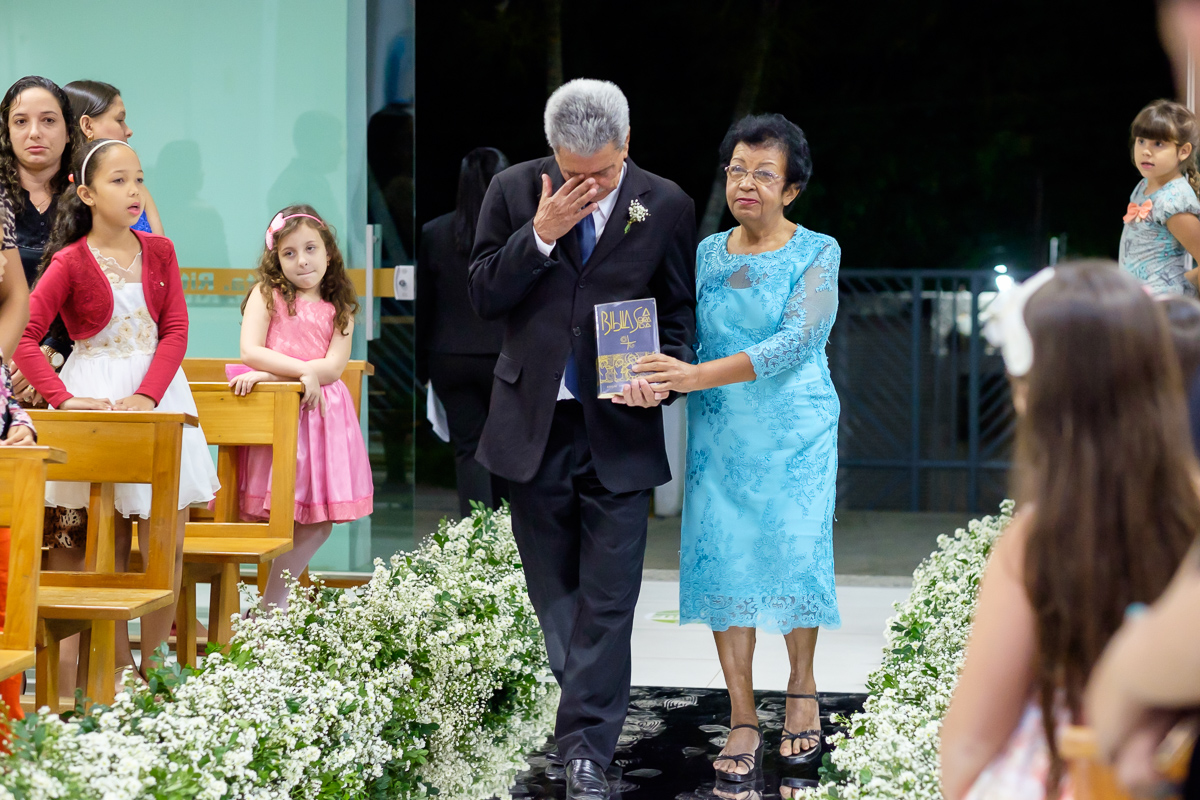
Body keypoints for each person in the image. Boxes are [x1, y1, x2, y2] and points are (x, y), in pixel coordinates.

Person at [468, 78, 696, 800]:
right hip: (534, 421)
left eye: (599, 175)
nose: (585, 186)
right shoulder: (512, 189)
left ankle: (587, 752)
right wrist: (540, 234)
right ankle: (585, 709)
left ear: (626, 149)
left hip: (620, 425)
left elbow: (679, 310)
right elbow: (480, 294)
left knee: (611, 594)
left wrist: (664, 377)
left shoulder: (666, 203)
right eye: (572, 173)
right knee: (554, 593)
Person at [939, 262, 1200, 800]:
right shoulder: (1191, 506)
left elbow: (970, 739)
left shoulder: (1041, 537)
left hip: (1072, 773)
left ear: (1034, 394)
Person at [633, 114, 841, 783]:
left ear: (792, 190)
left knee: (793, 557)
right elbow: (682, 327)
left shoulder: (818, 251)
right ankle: (744, 713)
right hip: (721, 435)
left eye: (763, 174)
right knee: (725, 568)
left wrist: (693, 378)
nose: (745, 185)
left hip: (796, 433)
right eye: (736, 170)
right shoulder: (708, 253)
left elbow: (793, 344)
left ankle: (802, 688)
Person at [12, 138, 219, 687]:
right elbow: (24, 338)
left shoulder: (161, 252)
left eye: (139, 179)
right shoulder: (69, 261)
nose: (134, 191)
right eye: (118, 180)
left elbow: (175, 329)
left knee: (161, 539)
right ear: (86, 193)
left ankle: (155, 667)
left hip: (159, 401)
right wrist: (62, 397)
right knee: (79, 541)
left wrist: (148, 396)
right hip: (94, 402)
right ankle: (83, 668)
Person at [228, 204, 373, 613]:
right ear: (276, 259)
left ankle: (271, 605)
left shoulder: (338, 304)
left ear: (328, 252)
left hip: (321, 421)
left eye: (310, 248)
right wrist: (297, 375)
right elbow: (250, 350)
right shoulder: (267, 295)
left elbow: (332, 367)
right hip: (278, 417)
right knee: (278, 515)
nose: (302, 260)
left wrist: (290, 376)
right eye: (289, 253)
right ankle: (271, 612)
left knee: (317, 521)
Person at [416, 147, 511, 517]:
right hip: (505, 357)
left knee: (468, 449)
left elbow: (425, 305)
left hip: (448, 356)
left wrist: (422, 367)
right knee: (503, 448)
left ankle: (476, 540)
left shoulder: (434, 232)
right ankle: (509, 537)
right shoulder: (518, 234)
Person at [0, 76, 79, 288]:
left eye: (48, 120)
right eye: (21, 121)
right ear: (7, 133)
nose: (34, 133)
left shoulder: (88, 197)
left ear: (69, 132)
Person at [1118, 99, 1200, 296]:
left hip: (1162, 307)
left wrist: (1181, 285)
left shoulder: (1174, 200)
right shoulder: (1144, 185)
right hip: (1139, 302)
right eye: (1141, 141)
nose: (1146, 150)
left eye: (1158, 143)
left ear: (1183, 151)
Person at [63, 80, 164, 235]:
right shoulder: (57, 192)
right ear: (88, 126)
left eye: (138, 179)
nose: (129, 131)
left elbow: (161, 251)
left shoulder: (138, 189)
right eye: (119, 120)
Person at [0, 308, 36, 724]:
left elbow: (8, 403)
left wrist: (22, 427)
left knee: (8, 618)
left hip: (5, 496)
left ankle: (7, 739)